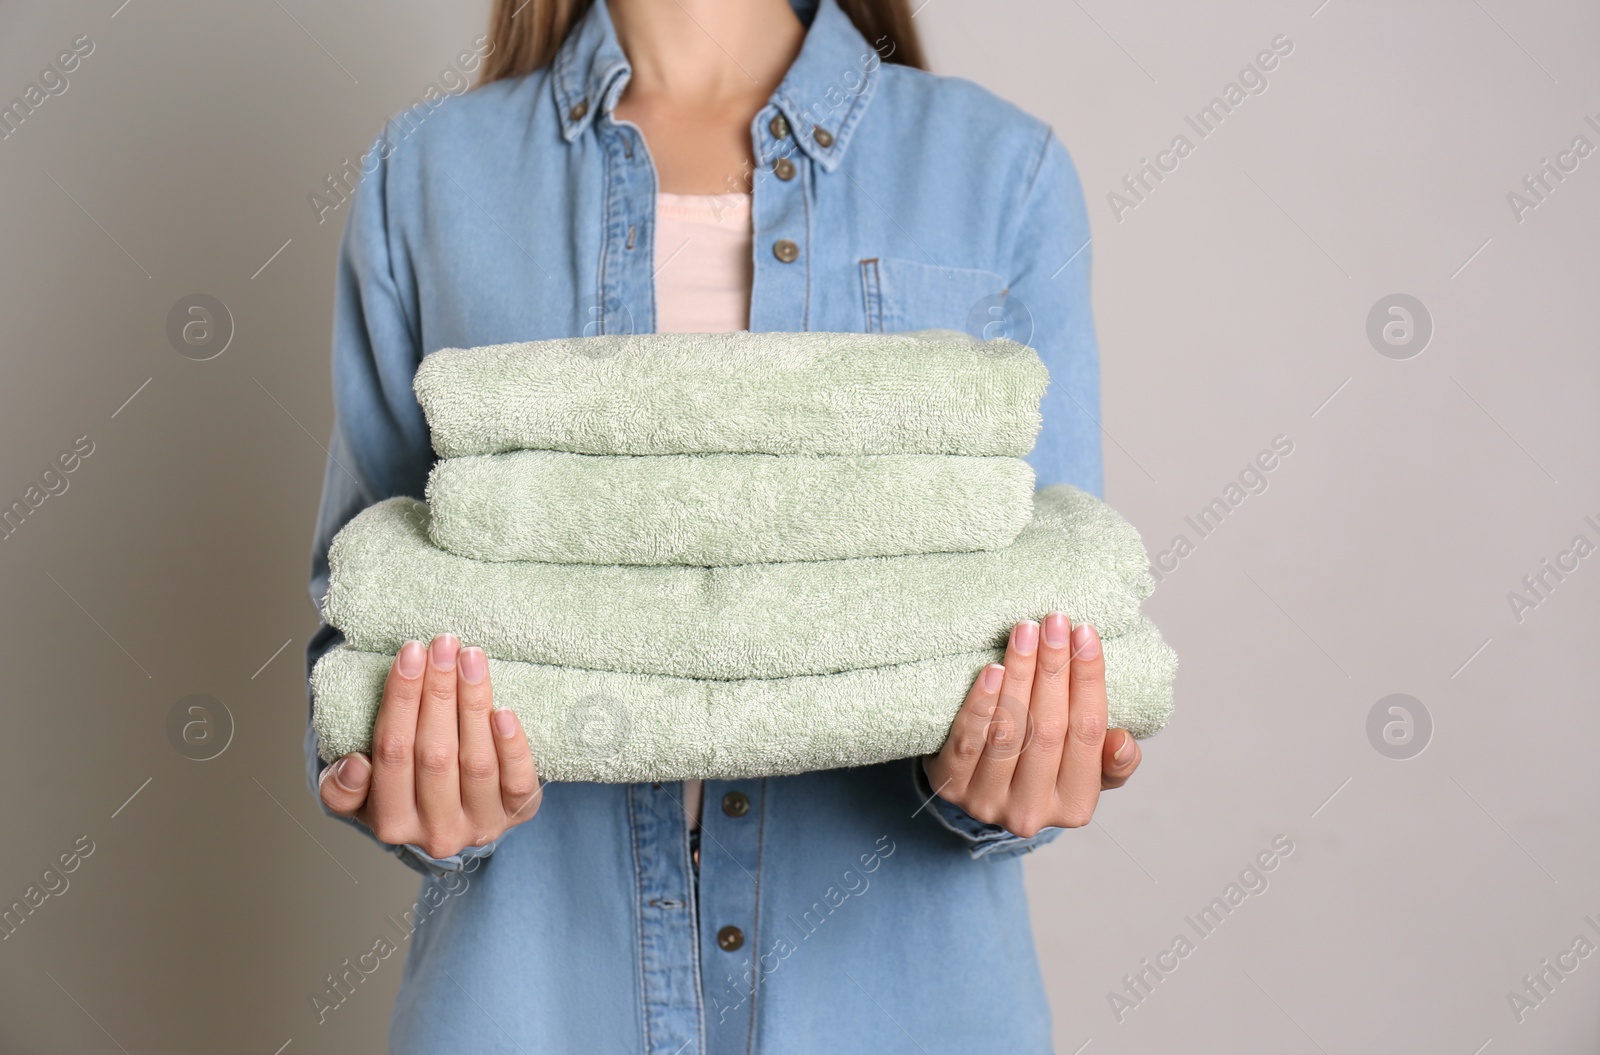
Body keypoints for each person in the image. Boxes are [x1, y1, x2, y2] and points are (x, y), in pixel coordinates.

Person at [304, 0, 1144, 1049]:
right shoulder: (430, 174)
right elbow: (364, 617)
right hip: (531, 1011)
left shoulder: (998, 170)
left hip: (903, 1013)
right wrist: (417, 784)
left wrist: (1007, 766)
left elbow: (1057, 608)